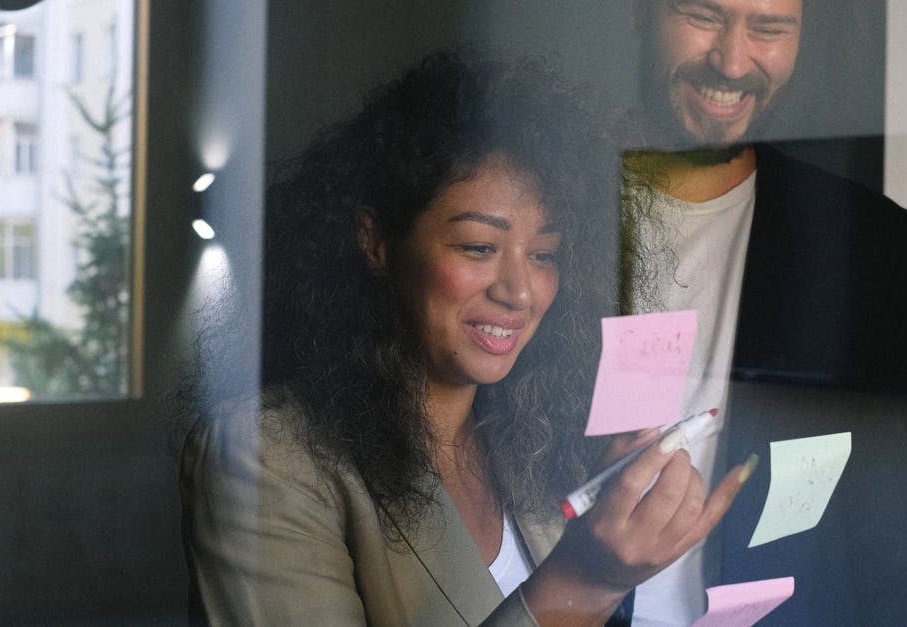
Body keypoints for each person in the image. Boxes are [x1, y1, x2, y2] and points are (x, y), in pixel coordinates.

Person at [180, 51, 750, 626]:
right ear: (375, 241)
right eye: (479, 247)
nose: (520, 292)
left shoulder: (532, 442)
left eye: (545, 255)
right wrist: (583, 581)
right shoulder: (263, 457)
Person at [618, 1, 907, 625]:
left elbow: (905, 529)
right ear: (641, 11)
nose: (732, 60)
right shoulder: (537, 218)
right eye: (704, 15)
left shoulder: (870, 243)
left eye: (769, 28)